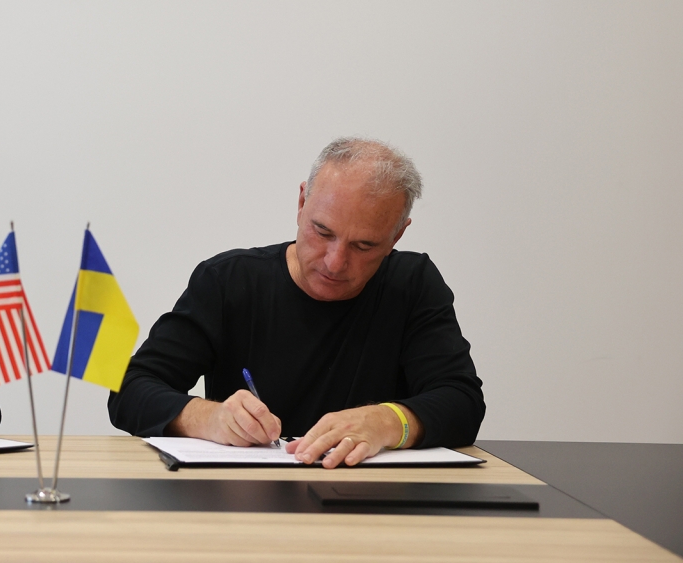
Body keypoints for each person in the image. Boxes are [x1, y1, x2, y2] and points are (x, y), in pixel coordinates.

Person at [108, 138, 484, 469]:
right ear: (302, 202)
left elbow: (462, 401)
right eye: (323, 232)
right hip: (243, 508)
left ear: (397, 234)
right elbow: (129, 389)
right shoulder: (228, 281)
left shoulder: (412, 284)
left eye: (364, 246)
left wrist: (387, 422)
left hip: (371, 509)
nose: (335, 262)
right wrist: (208, 417)